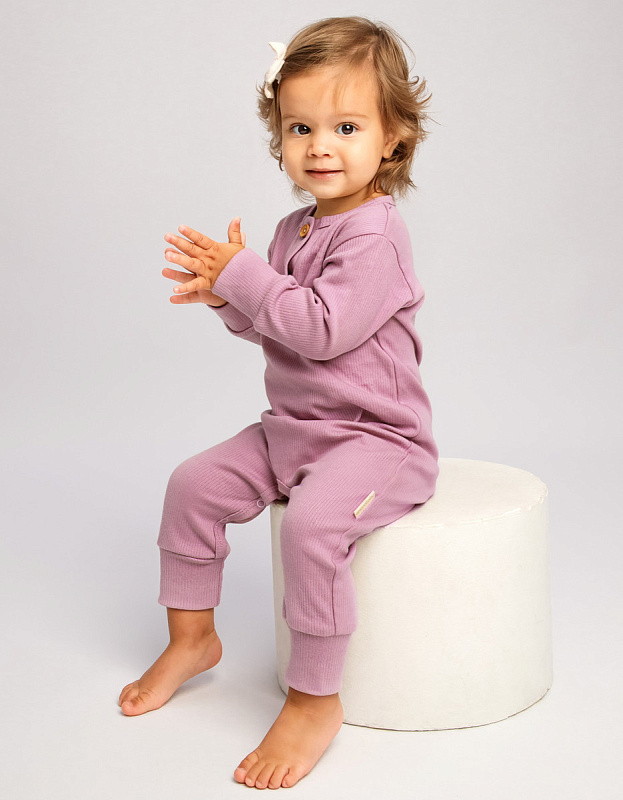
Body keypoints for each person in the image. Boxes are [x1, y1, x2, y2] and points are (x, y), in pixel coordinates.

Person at [118, 15, 440, 790]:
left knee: (311, 528)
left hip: (375, 440)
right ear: (279, 137)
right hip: (294, 428)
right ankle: (192, 639)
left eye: (346, 127)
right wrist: (226, 298)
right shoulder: (293, 228)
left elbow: (322, 331)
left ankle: (313, 697)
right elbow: (277, 325)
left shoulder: (374, 237)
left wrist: (244, 277)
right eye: (300, 128)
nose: (320, 146)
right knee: (192, 485)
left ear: (393, 139)